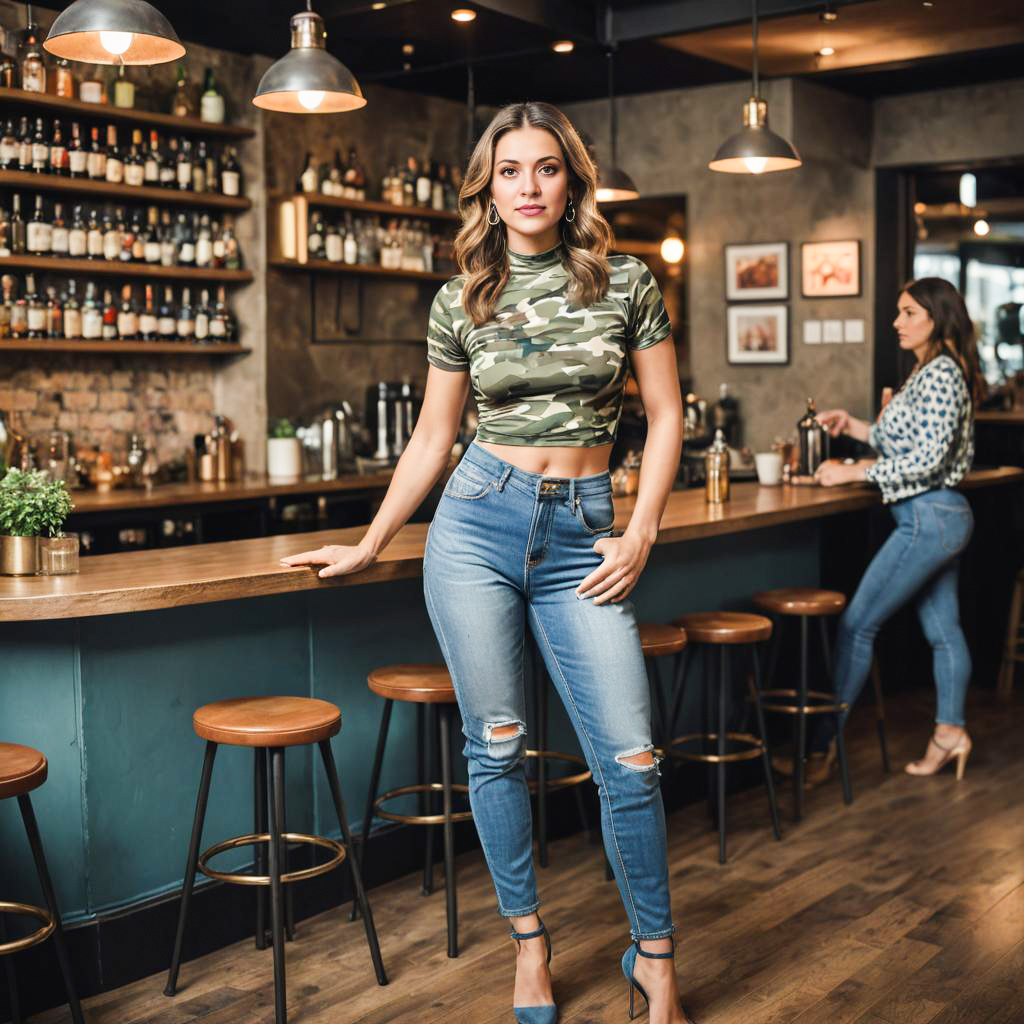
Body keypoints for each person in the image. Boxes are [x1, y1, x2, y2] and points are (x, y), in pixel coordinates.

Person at [281, 102, 692, 1024]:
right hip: (476, 526)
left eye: (546, 168)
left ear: (570, 180)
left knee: (631, 760)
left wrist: (641, 530)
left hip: (585, 532)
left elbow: (663, 415)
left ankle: (656, 961)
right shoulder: (461, 296)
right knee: (497, 746)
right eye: (510, 171)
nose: (529, 187)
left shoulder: (627, 283)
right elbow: (433, 442)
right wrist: (373, 538)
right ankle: (529, 946)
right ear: (488, 187)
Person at [809, 277, 980, 784]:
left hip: (930, 516)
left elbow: (927, 460)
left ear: (937, 316)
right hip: (935, 519)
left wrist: (852, 470)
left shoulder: (944, 373)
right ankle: (951, 734)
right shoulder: (929, 371)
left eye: (908, 313)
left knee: (857, 624)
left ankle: (819, 750)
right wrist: (856, 428)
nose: (896, 322)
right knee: (943, 632)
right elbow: (902, 439)